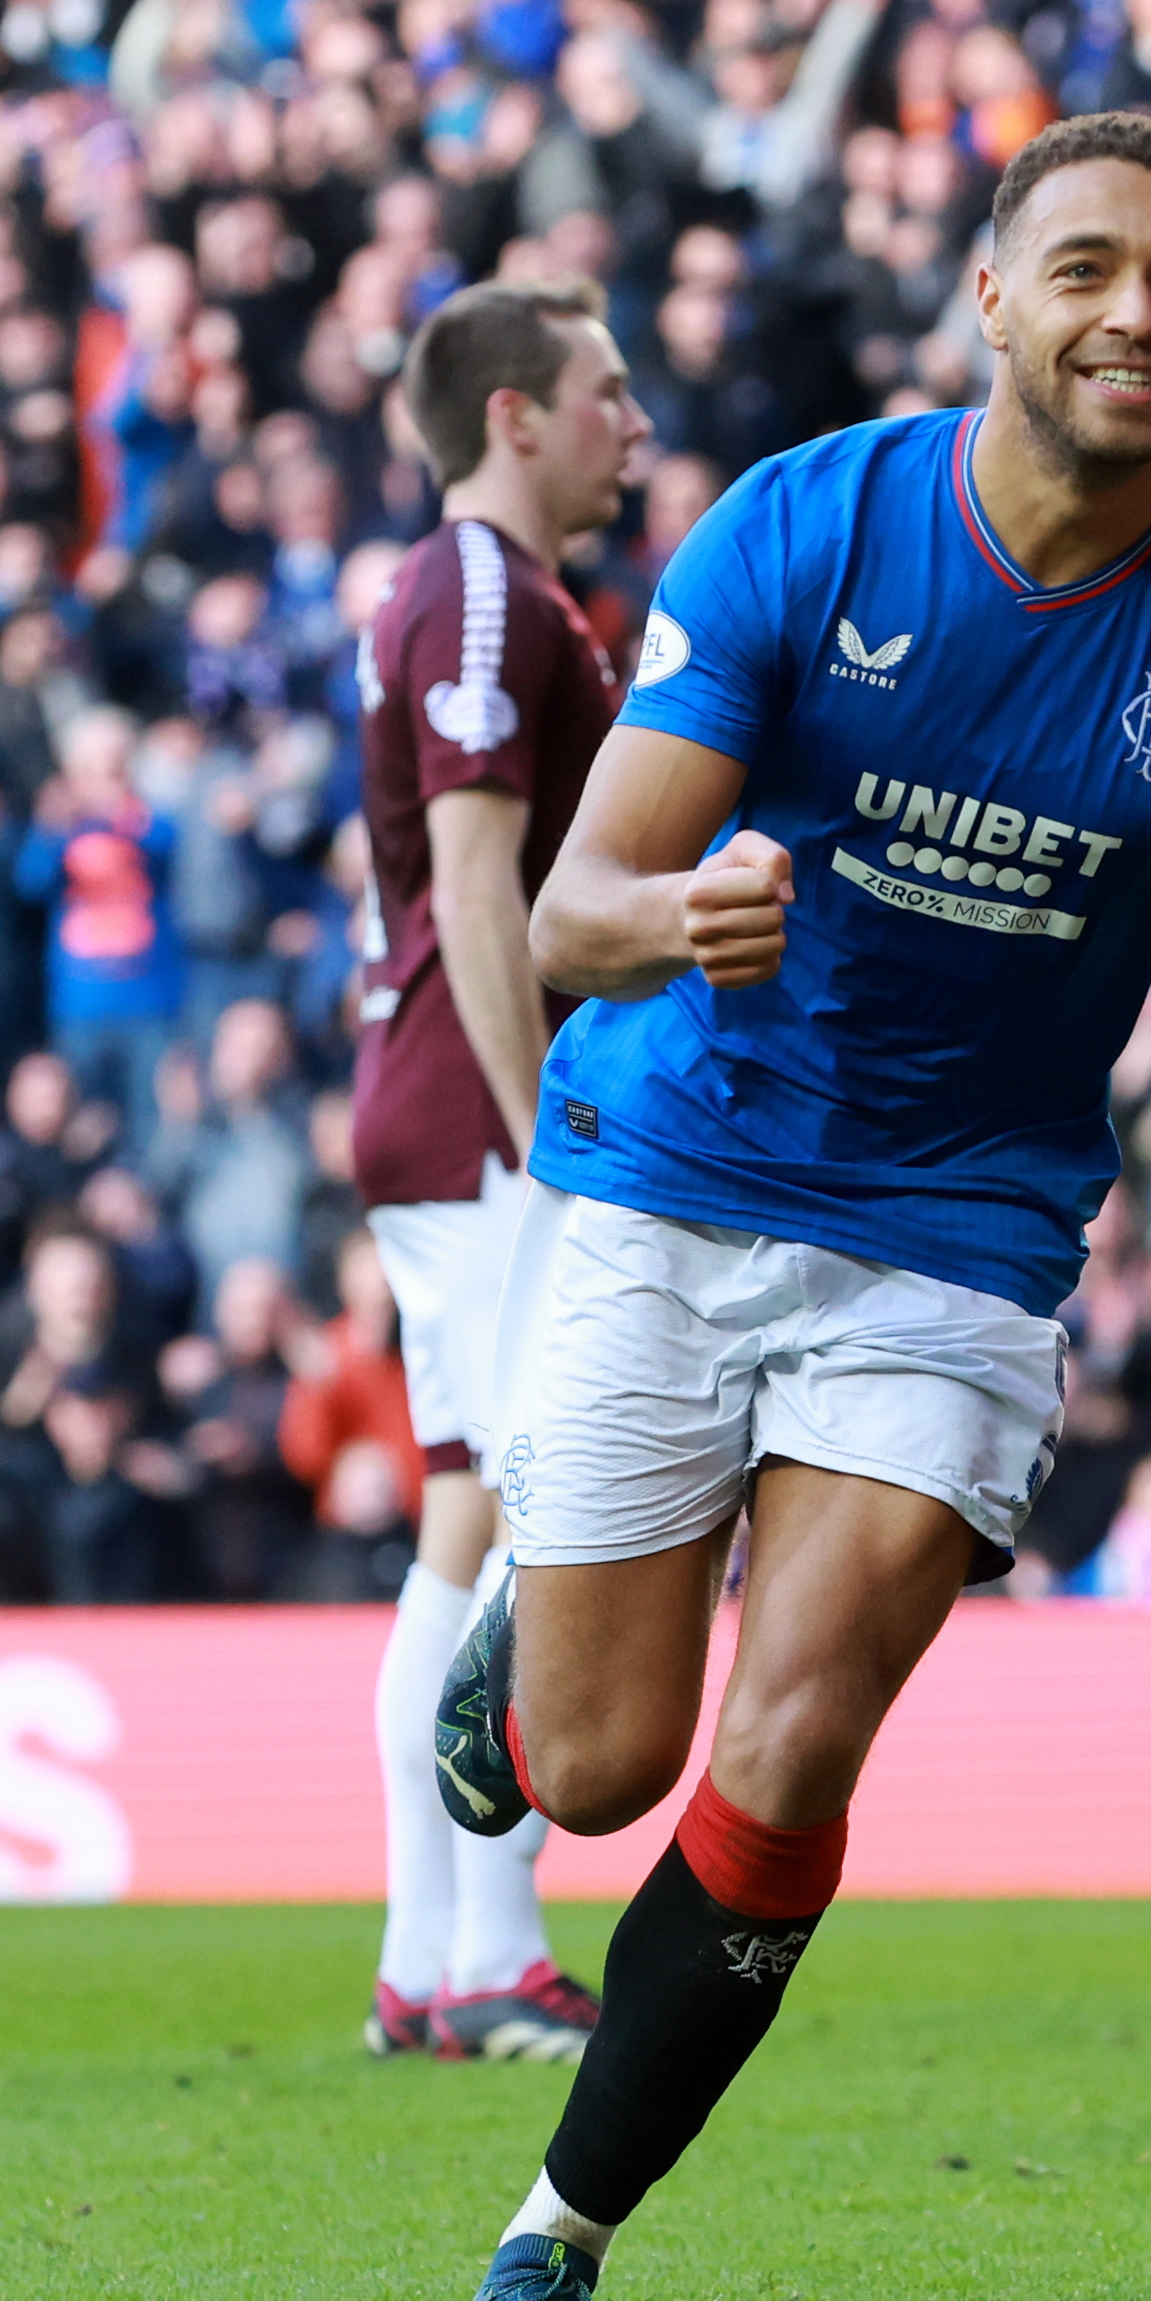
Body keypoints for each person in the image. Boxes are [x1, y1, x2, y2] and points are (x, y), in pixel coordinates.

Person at [428, 113, 1151, 2301]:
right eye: (1095, 267)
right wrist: (676, 913)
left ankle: (554, 2239)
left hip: (957, 1242)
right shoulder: (808, 525)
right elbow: (569, 907)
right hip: (680, 1171)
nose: (1144, 313)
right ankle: (532, 1623)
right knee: (599, 1766)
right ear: (995, 302)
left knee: (799, 1740)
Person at [351, 276, 651, 2068]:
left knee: (475, 1515)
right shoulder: (479, 587)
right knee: (550, 1504)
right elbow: (473, 875)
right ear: (512, 416)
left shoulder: (510, 597)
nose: (632, 422)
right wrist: (540, 1122)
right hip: (484, 1110)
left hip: (445, 1094)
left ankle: (430, 1955)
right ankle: (488, 1944)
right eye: (604, 392)